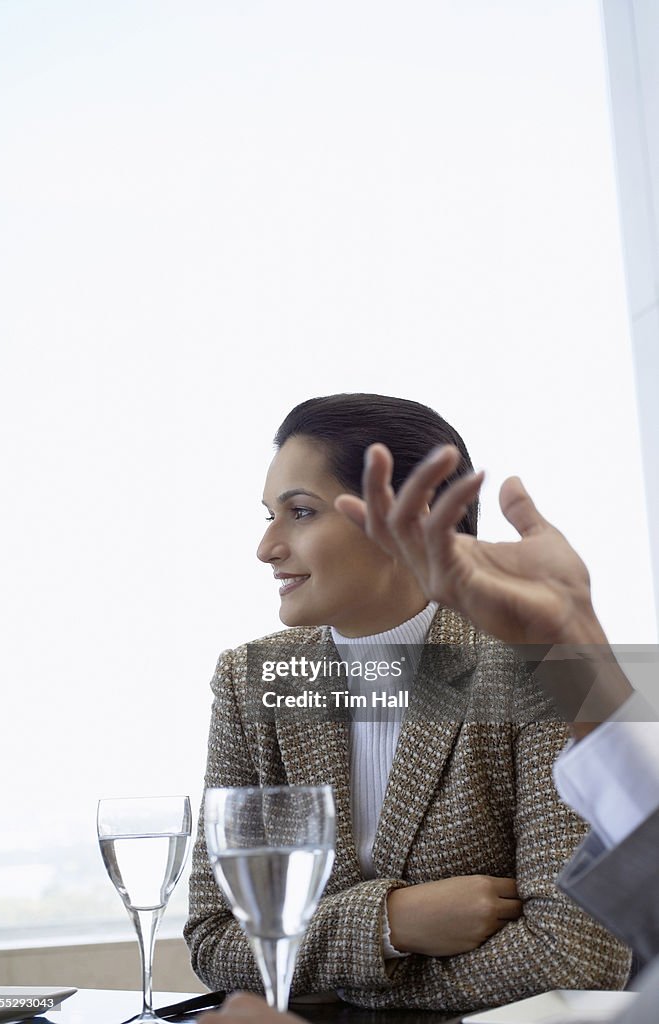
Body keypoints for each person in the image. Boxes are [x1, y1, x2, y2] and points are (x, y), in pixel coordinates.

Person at [184, 394, 630, 1014]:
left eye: (302, 513)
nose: (268, 548)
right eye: (269, 516)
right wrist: (392, 922)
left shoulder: (532, 658)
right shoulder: (253, 679)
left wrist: (340, 987)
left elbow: (578, 954)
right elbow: (216, 941)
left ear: (407, 516)